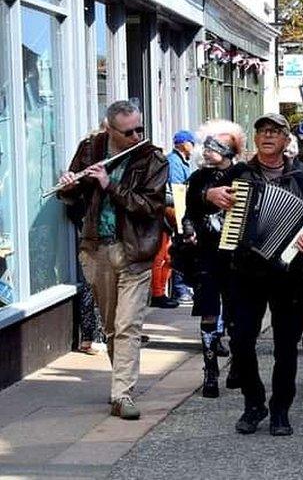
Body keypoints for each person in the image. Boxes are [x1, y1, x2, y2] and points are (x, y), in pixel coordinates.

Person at [202, 113, 303, 436]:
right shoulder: (240, 172)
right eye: (262, 131)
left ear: (286, 140)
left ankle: (281, 409)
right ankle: (254, 402)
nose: (268, 136)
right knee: (241, 340)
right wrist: (210, 196)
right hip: (246, 269)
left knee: (286, 344)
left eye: (275, 132)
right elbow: (201, 195)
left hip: (287, 271)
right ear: (256, 139)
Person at [57, 100, 168, 420]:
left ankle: (122, 393)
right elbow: (73, 199)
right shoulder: (90, 149)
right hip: (96, 247)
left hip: (134, 250)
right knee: (110, 326)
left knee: (127, 325)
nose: (136, 136)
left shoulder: (152, 158)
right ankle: (121, 384)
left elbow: (149, 206)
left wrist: (111, 185)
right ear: (110, 130)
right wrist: (70, 186)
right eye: (128, 131)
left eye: (140, 129)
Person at [179, 120, 247, 399]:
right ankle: (210, 372)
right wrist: (189, 230)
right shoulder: (197, 178)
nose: (207, 151)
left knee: (236, 314)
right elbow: (189, 213)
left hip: (238, 257)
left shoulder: (244, 174)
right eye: (205, 145)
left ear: (230, 150)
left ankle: (238, 365)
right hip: (207, 254)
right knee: (208, 311)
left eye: (215, 146)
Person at [150, 130, 196, 308]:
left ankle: (165, 292)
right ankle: (160, 293)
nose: (193, 146)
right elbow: (178, 192)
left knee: (169, 255)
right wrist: (183, 219)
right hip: (168, 214)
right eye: (192, 142)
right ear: (184, 143)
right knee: (163, 255)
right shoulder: (174, 162)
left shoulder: (179, 161)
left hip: (171, 214)